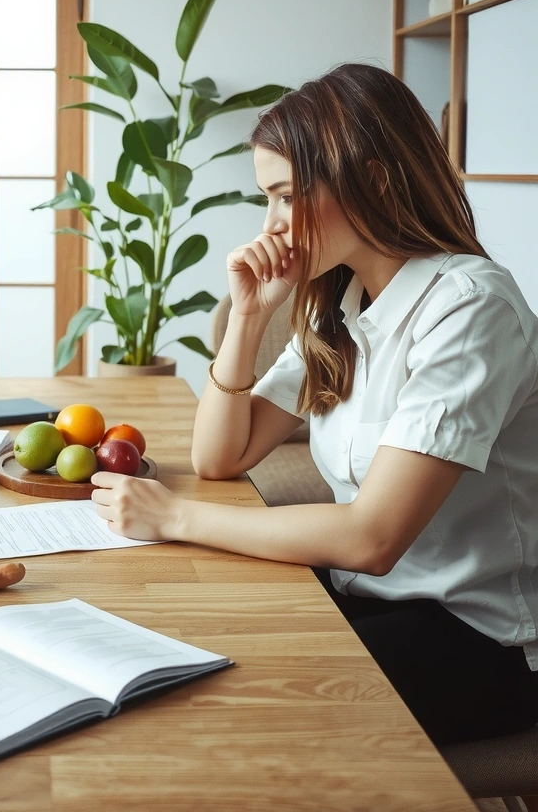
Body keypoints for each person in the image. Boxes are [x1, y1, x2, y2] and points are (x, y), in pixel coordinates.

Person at [90, 63, 538, 745]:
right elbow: (221, 456)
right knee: (195, 640)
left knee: (235, 710)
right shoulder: (342, 302)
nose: (271, 226)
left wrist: (175, 516)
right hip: (371, 597)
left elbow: (373, 538)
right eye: (265, 199)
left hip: (480, 634)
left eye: (285, 196)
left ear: (376, 179)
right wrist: (247, 316)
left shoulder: (471, 308)